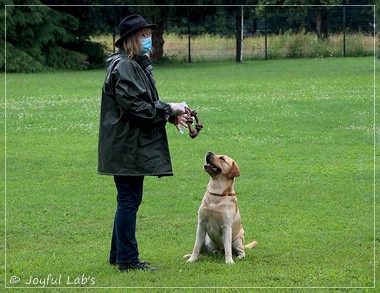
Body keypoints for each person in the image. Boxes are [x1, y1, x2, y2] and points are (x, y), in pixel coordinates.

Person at [98, 14, 189, 272]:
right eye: (144, 35)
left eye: (149, 34)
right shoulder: (125, 66)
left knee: (126, 198)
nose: (148, 39)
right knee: (129, 199)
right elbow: (135, 107)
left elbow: (142, 105)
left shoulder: (133, 64)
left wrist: (169, 116)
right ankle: (127, 259)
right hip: (127, 146)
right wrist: (169, 108)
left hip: (126, 144)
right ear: (131, 40)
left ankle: (119, 254)